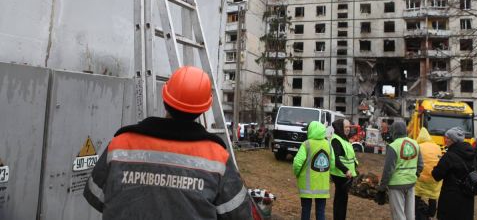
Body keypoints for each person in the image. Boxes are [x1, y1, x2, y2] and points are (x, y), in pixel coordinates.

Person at [83, 66, 252, 219]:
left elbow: (95, 197)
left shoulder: (120, 144)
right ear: (203, 109)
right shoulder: (217, 157)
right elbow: (239, 214)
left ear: (165, 99)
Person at [377, 121, 423, 220]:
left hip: (396, 185)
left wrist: (382, 188)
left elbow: (388, 170)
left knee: (399, 215)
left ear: (393, 131)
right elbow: (420, 165)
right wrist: (413, 176)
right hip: (411, 183)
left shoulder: (393, 146)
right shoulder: (415, 144)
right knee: (410, 215)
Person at [432, 127, 477, 220]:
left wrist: (436, 165)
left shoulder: (449, 156)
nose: (445, 140)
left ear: (453, 140)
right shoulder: (472, 154)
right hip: (468, 196)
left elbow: (436, 175)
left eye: (447, 138)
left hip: (450, 198)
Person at [293, 121, 332, 220]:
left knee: (306, 209)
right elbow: (333, 163)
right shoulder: (328, 145)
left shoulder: (306, 144)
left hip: (307, 186)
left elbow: (297, 163)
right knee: (321, 211)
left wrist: (297, 174)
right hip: (322, 185)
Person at [330, 119, 358, 220]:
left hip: (346, 175)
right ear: (340, 127)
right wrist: (346, 170)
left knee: (343, 199)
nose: (348, 129)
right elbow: (335, 159)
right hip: (340, 175)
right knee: (340, 200)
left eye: (349, 127)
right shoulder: (336, 140)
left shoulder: (344, 139)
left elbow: (349, 157)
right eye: (346, 127)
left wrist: (354, 168)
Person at [414, 128, 442, 220]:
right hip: (434, 177)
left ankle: (414, 211)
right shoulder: (437, 147)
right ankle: (431, 213)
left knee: (417, 194)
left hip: (421, 177)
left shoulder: (418, 146)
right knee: (432, 196)